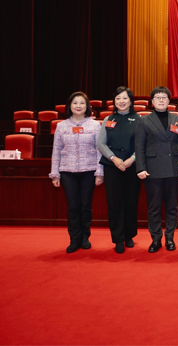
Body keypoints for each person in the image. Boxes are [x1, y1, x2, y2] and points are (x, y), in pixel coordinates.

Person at [50, 91, 104, 253]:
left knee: (85, 206)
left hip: (89, 170)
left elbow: (99, 150)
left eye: (82, 103)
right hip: (67, 171)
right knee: (73, 207)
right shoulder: (61, 126)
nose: (78, 106)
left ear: (87, 106)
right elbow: (56, 150)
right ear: (69, 106)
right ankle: (74, 239)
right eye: (75, 103)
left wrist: (99, 172)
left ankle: (85, 237)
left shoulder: (95, 125)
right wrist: (55, 174)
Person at [135, 86, 178, 253]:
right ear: (152, 101)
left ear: (169, 100)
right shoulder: (144, 120)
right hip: (152, 169)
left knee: (172, 206)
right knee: (154, 206)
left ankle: (170, 237)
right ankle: (156, 239)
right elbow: (139, 146)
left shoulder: (177, 119)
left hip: (173, 168)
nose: (161, 100)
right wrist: (140, 168)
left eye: (164, 97)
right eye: (157, 97)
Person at [97, 86, 141, 254]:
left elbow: (142, 144)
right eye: (118, 98)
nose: (121, 101)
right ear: (114, 101)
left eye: (125, 98)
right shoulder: (108, 119)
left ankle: (129, 235)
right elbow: (100, 144)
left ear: (130, 101)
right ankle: (118, 238)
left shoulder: (139, 119)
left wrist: (131, 160)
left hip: (132, 167)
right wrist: (113, 158)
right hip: (112, 167)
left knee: (131, 202)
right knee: (114, 203)